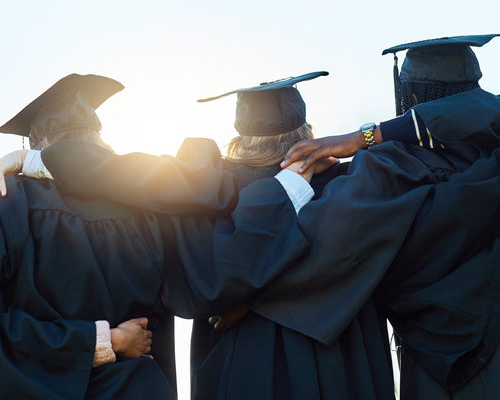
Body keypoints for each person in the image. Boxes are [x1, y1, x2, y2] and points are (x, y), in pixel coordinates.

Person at [0, 73, 313, 399]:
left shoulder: (10, 203)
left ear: (36, 143)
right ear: (97, 142)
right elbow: (215, 273)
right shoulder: (148, 208)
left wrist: (92, 342)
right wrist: (290, 185)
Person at [272, 34, 500, 399]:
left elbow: (326, 246)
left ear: (411, 100)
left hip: (437, 368)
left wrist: (245, 290)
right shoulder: (492, 162)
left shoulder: (389, 168)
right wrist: (370, 135)